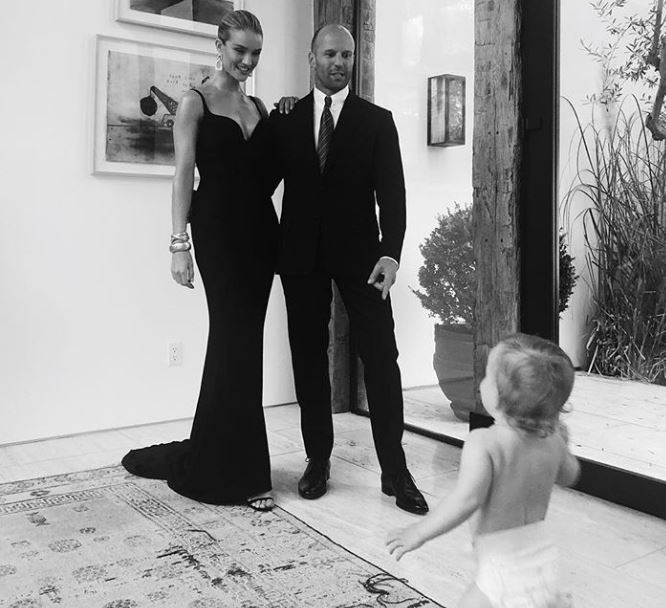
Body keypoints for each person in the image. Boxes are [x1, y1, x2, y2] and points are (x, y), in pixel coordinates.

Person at [121, 10, 279, 512]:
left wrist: (287, 118)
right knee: (232, 338)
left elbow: (269, 172)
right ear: (219, 45)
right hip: (217, 233)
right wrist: (178, 244)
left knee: (246, 344)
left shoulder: (259, 106)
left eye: (256, 52)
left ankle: (234, 459)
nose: (248, 61)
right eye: (239, 50)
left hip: (261, 235)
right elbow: (182, 174)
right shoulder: (196, 101)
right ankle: (227, 472)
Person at [267, 24, 428, 515]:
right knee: (308, 358)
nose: (339, 62)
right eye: (330, 54)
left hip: (364, 260)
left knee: (381, 357)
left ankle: (395, 471)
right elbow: (257, 183)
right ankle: (317, 460)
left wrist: (391, 254)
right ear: (312, 58)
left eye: (347, 55)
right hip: (301, 259)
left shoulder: (377, 121)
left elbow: (394, 196)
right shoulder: (287, 119)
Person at [386, 333, 580, 607]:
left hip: (502, 567)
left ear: (502, 395)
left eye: (488, 376)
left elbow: (466, 499)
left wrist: (419, 532)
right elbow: (570, 476)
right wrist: (564, 446)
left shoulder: (485, 442)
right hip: (543, 560)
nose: (482, 382)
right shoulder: (552, 441)